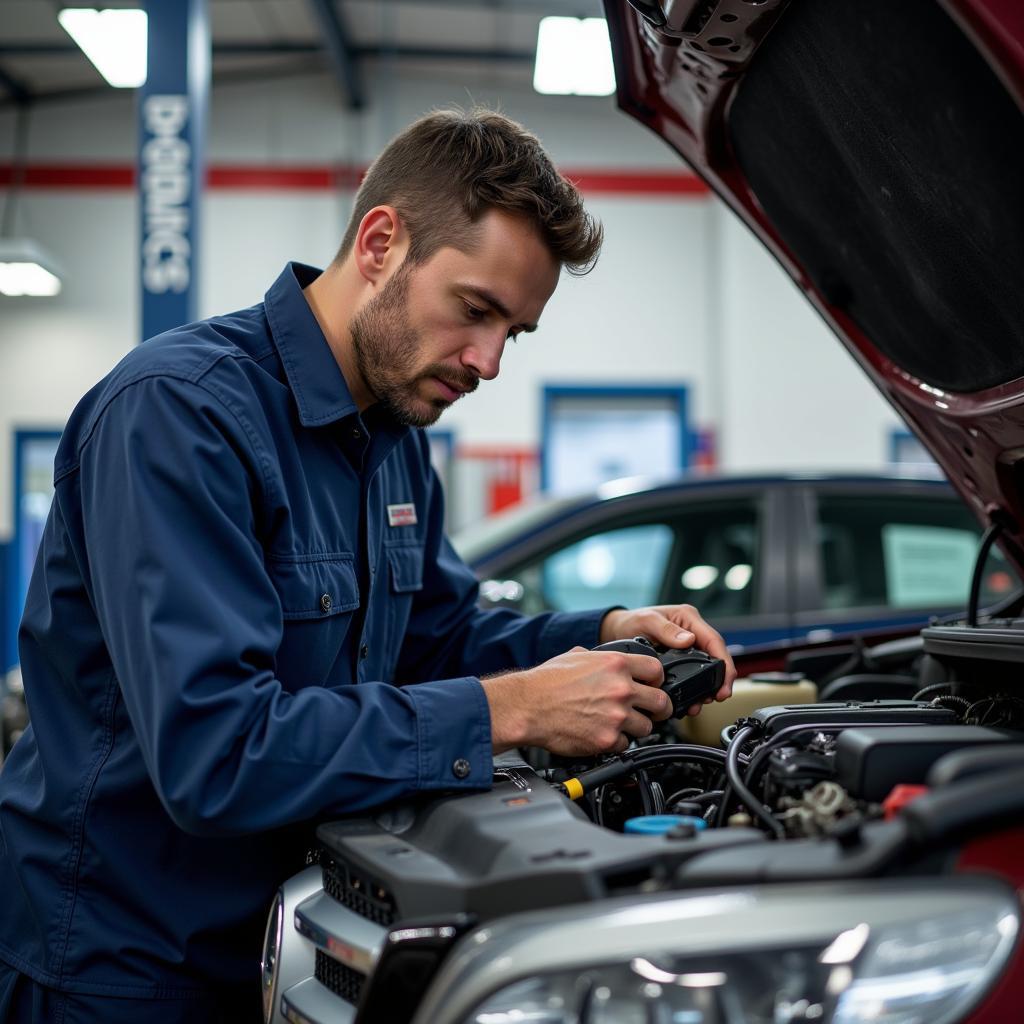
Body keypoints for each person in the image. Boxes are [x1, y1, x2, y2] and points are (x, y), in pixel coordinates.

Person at [0, 108, 735, 1022]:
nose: (490, 361)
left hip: (303, 937)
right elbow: (216, 752)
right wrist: (515, 709)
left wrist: (601, 639)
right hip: (124, 970)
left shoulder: (392, 438)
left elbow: (440, 637)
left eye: (518, 332)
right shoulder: (180, 415)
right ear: (382, 241)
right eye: (475, 310)